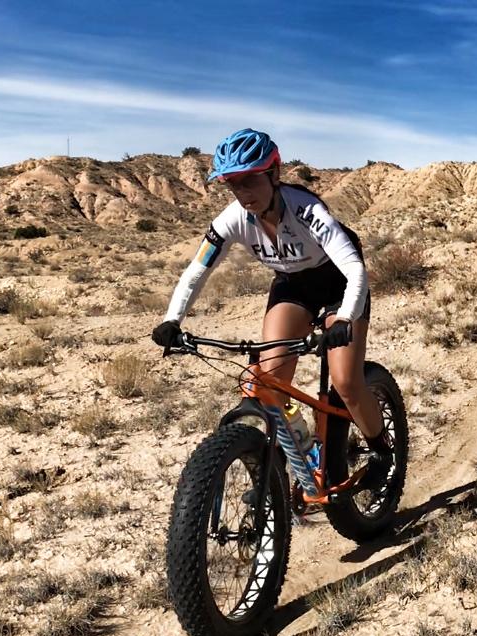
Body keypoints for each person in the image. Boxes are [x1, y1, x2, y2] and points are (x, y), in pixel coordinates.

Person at [151, 128, 392, 488]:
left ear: (274, 173)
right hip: (293, 286)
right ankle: (287, 465)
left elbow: (355, 268)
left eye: (250, 181)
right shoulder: (231, 219)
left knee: (345, 381)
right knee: (268, 382)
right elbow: (196, 271)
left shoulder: (306, 209)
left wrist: (344, 318)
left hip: (339, 284)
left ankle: (381, 453)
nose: (242, 192)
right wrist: (172, 319)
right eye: (233, 184)